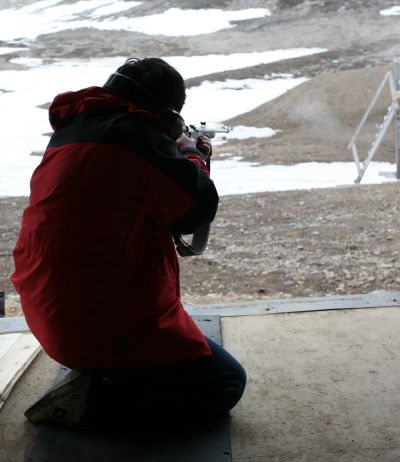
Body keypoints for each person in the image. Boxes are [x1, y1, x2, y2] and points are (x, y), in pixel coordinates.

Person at [11, 57, 246, 427]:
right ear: (166, 111)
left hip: (50, 315)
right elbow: (195, 212)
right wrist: (191, 154)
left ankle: (106, 374)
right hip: (95, 327)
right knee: (225, 383)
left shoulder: (73, 131)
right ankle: (87, 403)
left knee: (183, 339)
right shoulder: (140, 139)